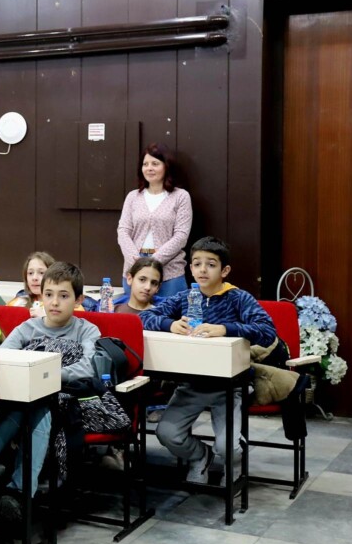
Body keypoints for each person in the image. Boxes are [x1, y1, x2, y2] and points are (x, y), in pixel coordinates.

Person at [141, 237, 276, 485]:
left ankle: (233, 465)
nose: (202, 270)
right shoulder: (185, 297)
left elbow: (267, 331)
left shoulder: (238, 298)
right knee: (166, 433)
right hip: (191, 384)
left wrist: (225, 329)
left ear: (224, 270)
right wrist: (169, 324)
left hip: (230, 386)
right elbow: (144, 317)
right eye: (197, 264)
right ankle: (199, 457)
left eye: (211, 264)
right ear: (190, 268)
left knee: (227, 447)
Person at [0, 262, 100, 523]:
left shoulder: (87, 330)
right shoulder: (27, 329)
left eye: (64, 296)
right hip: (24, 400)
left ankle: (13, 490)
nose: (54, 302)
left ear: (78, 300)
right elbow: (4, 358)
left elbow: (88, 367)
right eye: (49, 294)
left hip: (70, 403)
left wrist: (44, 375)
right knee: (28, 409)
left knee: (41, 408)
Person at [117, 144, 193, 298]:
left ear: (166, 166)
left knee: (170, 318)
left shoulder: (181, 197)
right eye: (145, 164)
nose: (149, 168)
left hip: (169, 271)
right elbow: (123, 230)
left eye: (155, 164)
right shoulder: (133, 196)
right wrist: (137, 262)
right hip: (134, 269)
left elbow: (181, 236)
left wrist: (153, 262)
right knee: (137, 318)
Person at [6, 251, 56, 317]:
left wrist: (46, 319)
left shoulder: (63, 305)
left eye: (41, 273)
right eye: (30, 273)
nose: (34, 278)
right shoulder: (19, 302)